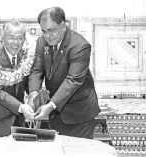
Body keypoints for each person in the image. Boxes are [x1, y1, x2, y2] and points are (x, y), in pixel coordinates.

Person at [27, 7, 101, 139]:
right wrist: (33, 95)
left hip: (79, 113)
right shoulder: (41, 42)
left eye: (51, 31)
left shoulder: (80, 45)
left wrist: (50, 105)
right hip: (56, 112)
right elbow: (37, 70)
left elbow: (73, 81)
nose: (47, 36)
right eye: (44, 31)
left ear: (62, 26)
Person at [0, 19, 36, 138]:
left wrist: (33, 96)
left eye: (19, 38)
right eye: (11, 38)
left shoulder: (25, 56)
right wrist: (21, 107)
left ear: (24, 39)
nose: (15, 42)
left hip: (19, 120)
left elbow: (28, 83)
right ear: (3, 38)